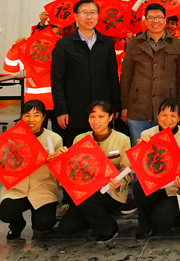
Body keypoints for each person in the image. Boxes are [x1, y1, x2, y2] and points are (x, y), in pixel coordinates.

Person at [0, 100, 62, 241]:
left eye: (36, 115)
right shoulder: (11, 138)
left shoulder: (54, 139)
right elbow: (1, 168)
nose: (31, 120)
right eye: (27, 115)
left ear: (44, 118)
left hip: (43, 189)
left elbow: (60, 173)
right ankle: (17, 223)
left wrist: (57, 161)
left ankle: (42, 221)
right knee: (6, 213)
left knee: (43, 225)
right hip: (17, 189)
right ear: (21, 116)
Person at [57, 100, 132, 242]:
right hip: (86, 190)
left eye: (101, 116)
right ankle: (97, 217)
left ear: (110, 117)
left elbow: (127, 170)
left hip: (111, 191)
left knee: (88, 198)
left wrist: (119, 181)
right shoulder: (80, 139)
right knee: (66, 228)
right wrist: (62, 158)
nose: (96, 121)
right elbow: (73, 170)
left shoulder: (122, 139)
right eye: (92, 117)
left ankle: (108, 228)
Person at [50, 0, 120, 146]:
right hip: (75, 111)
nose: (89, 17)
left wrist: (115, 106)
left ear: (98, 16)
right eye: (84, 13)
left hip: (101, 111)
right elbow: (57, 81)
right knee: (77, 151)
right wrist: (61, 110)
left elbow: (113, 78)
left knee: (103, 151)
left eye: (93, 13)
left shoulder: (106, 43)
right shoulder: (64, 45)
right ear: (75, 16)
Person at [120, 2, 180, 145]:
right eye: (151, 18)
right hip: (138, 109)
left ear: (165, 20)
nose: (155, 21)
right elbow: (126, 77)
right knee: (140, 151)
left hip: (168, 111)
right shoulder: (134, 44)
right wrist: (124, 107)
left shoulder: (177, 44)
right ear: (145, 21)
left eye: (159, 18)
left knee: (166, 151)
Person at [133, 99, 180, 239]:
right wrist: (141, 150)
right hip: (155, 185)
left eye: (173, 116)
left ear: (179, 118)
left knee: (160, 223)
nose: (168, 119)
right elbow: (141, 167)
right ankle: (144, 227)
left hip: (175, 188)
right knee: (138, 187)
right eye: (164, 115)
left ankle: (175, 217)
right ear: (157, 115)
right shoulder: (147, 134)